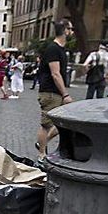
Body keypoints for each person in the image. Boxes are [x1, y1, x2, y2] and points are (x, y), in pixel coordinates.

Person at [36, 20, 75, 158]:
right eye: (70, 28)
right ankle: (41, 154)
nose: (72, 31)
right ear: (65, 30)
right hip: (51, 93)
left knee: (63, 123)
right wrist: (65, 94)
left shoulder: (60, 49)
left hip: (55, 92)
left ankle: (42, 144)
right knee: (47, 125)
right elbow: (55, 73)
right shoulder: (53, 49)